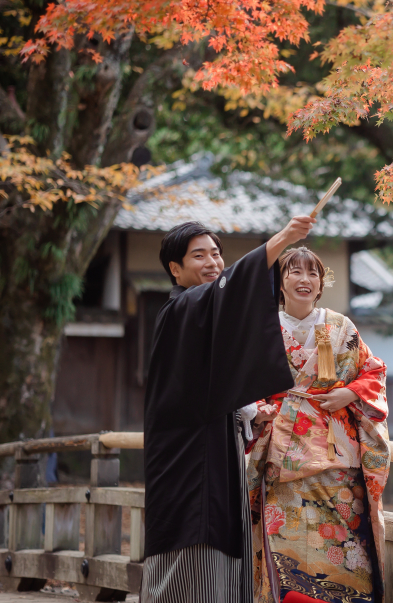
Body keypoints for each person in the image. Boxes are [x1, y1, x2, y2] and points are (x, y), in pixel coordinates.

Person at [141, 216, 315, 603]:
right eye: (198, 255)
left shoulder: (202, 312)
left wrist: (248, 411)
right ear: (175, 269)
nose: (213, 263)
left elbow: (213, 380)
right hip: (187, 458)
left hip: (214, 447)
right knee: (193, 540)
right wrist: (284, 238)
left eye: (217, 253)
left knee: (220, 538)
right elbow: (232, 287)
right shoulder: (182, 309)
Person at [246, 247, 390, 603]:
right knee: (288, 544)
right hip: (283, 456)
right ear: (280, 282)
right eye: (294, 272)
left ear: (321, 284)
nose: (304, 280)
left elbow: (374, 370)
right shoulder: (263, 329)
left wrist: (349, 393)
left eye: (313, 274)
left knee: (344, 545)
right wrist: (257, 410)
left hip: (337, 457)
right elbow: (241, 383)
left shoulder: (341, 327)